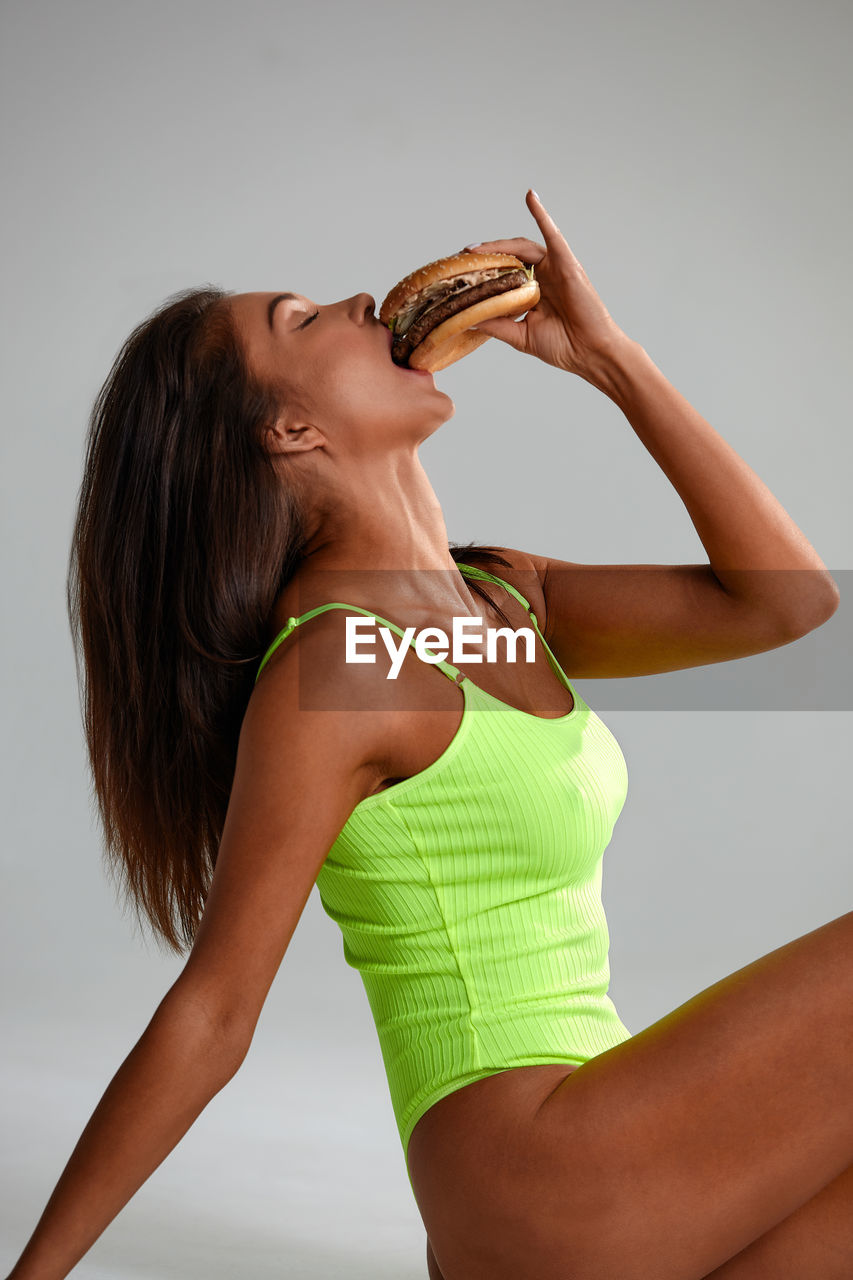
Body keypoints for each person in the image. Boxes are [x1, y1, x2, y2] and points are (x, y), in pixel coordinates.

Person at [5, 189, 847, 1280]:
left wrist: (611, 360)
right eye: (303, 321)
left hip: (630, 1159)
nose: (361, 299)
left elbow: (785, 603)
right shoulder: (340, 664)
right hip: (540, 1172)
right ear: (289, 430)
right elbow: (213, 1011)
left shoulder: (500, 606)